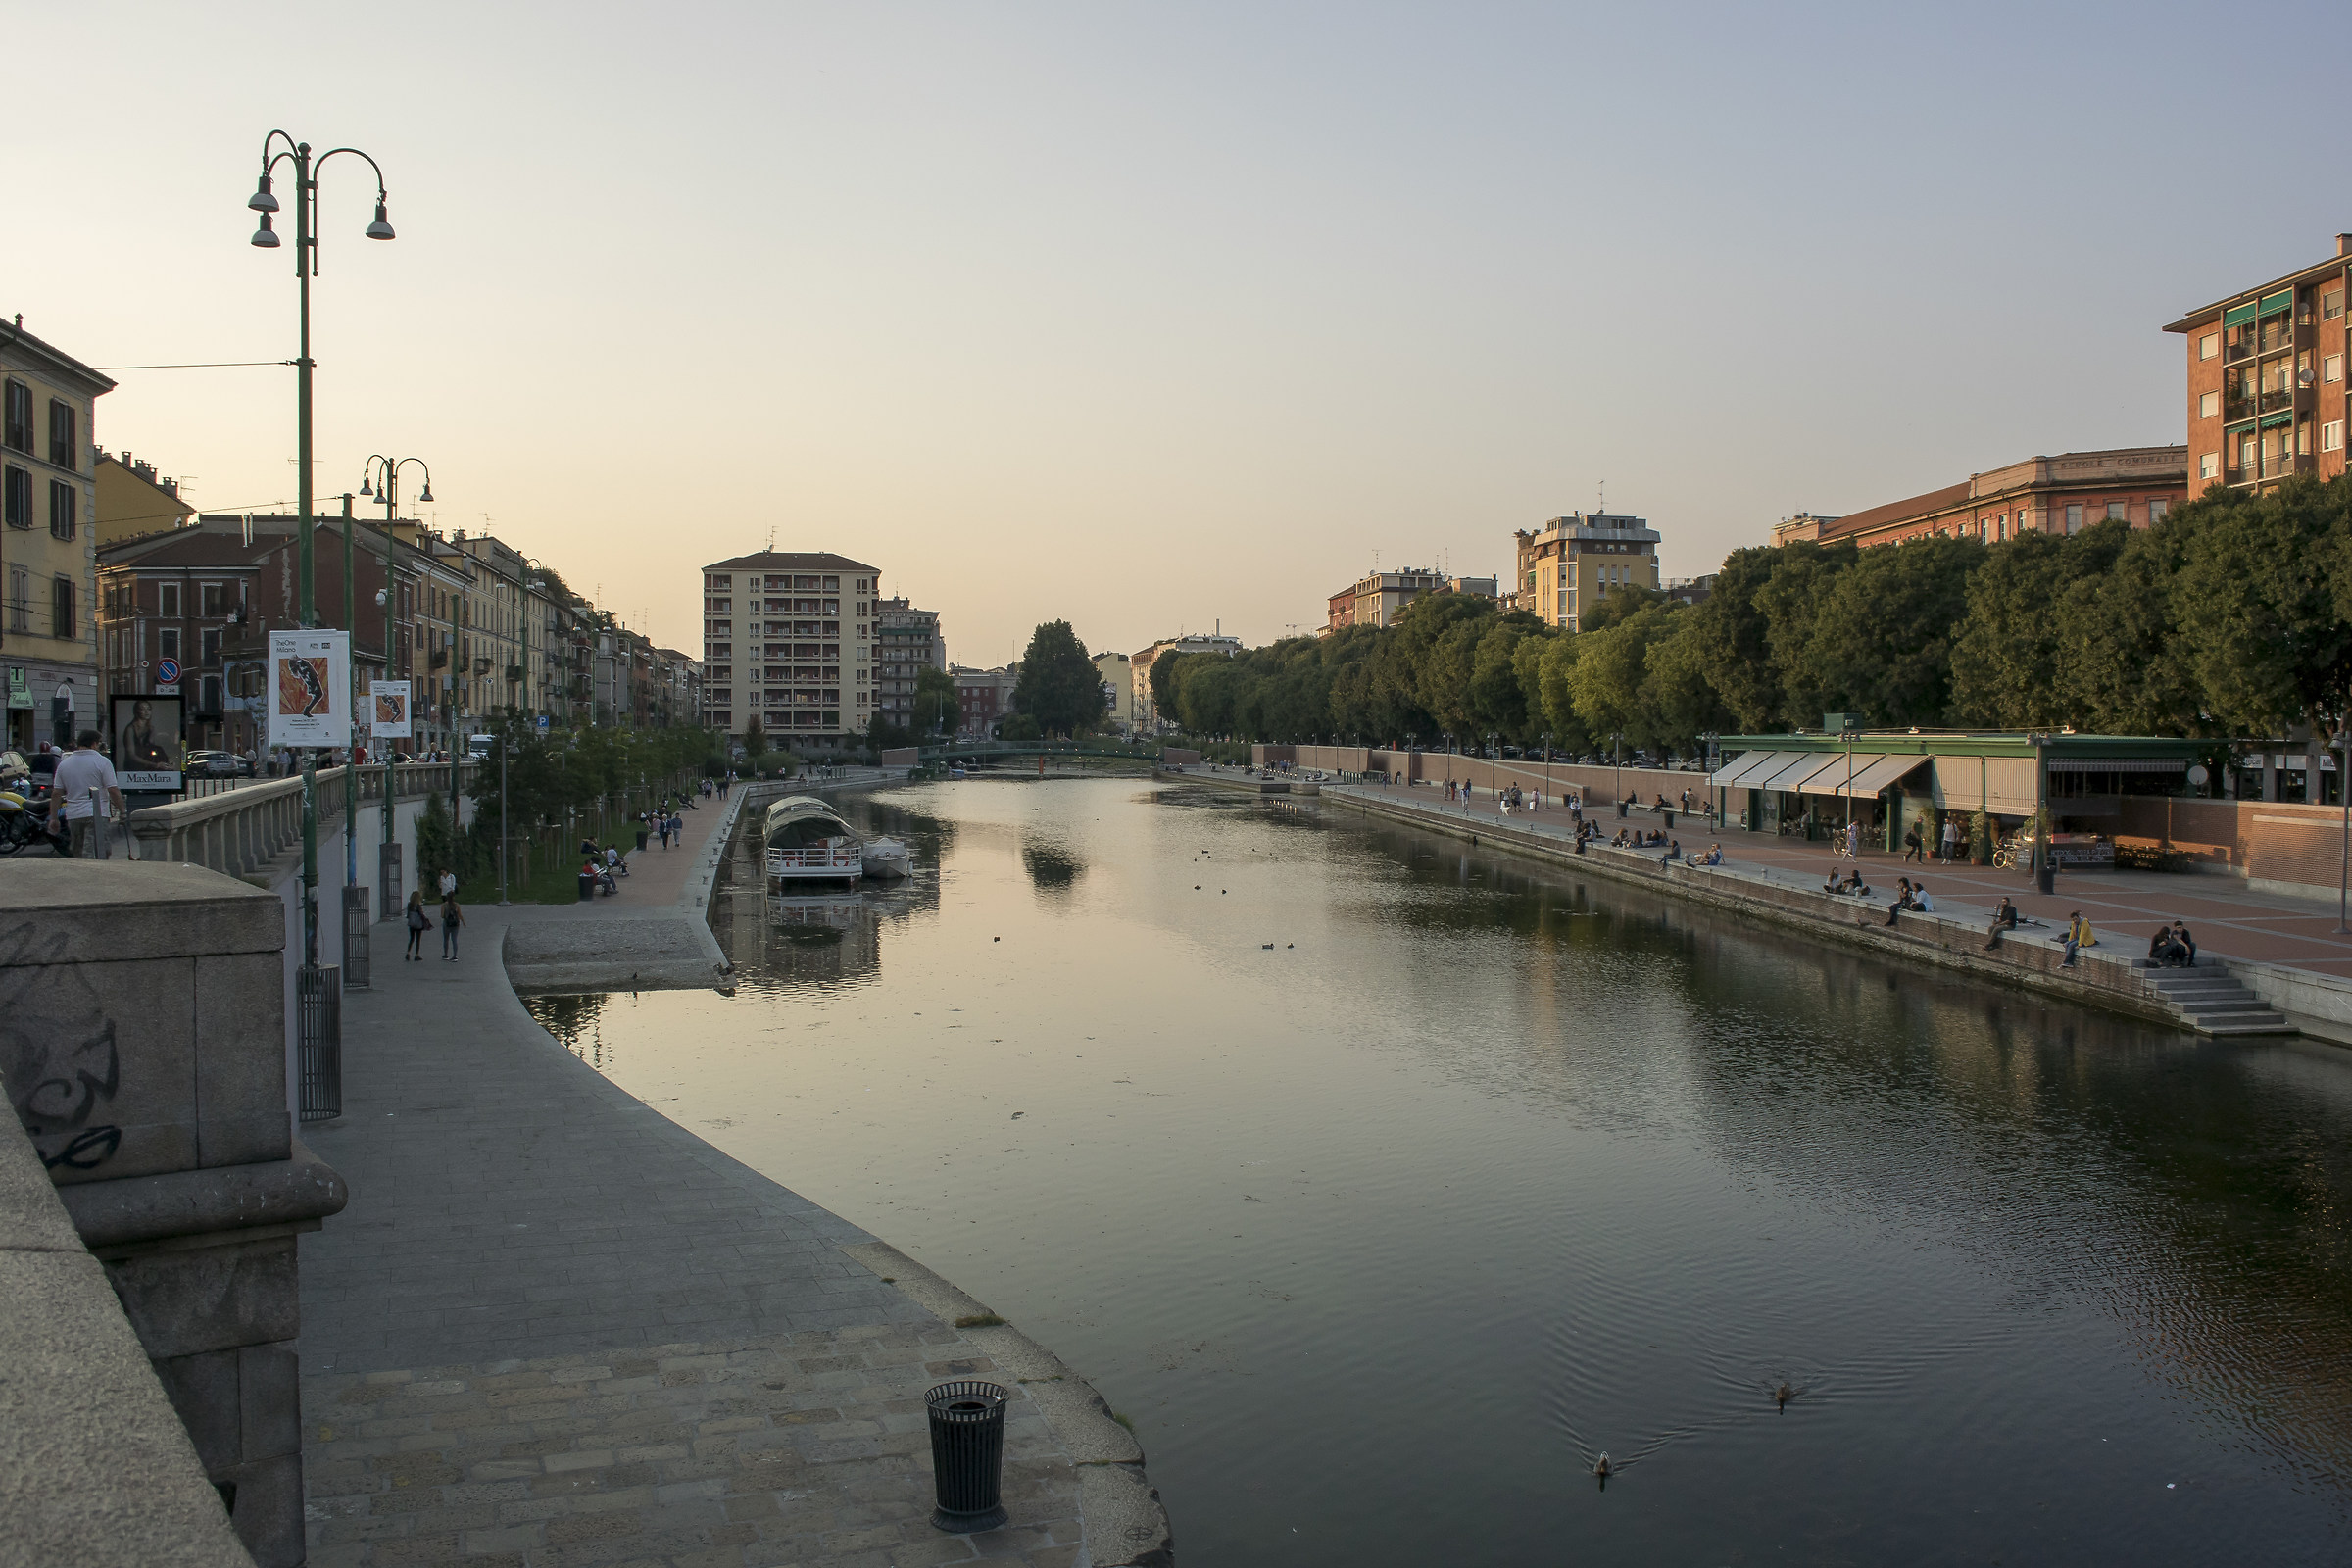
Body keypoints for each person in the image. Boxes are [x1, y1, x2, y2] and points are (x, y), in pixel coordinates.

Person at [48, 729, 125, 859]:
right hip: (98, 813)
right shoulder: (102, 762)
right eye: (100, 744)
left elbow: (56, 793)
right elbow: (113, 789)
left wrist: (54, 818)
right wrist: (122, 811)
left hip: (74, 814)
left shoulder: (64, 764)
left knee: (78, 852)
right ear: (94, 744)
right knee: (98, 851)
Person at [403, 890, 430, 960]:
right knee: (418, 940)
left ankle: (408, 953)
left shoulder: (409, 905)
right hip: (418, 924)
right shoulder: (418, 905)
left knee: (411, 939)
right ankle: (416, 955)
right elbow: (421, 914)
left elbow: (408, 915)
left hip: (411, 924)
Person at [439, 890, 466, 959]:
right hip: (455, 924)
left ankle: (445, 955)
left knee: (446, 939)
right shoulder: (456, 905)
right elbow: (459, 915)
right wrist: (463, 921)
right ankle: (455, 956)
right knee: (454, 939)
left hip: (446, 924)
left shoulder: (444, 905)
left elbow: (442, 916)